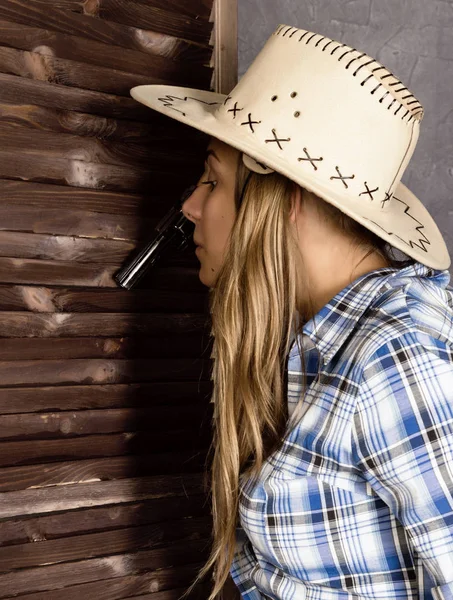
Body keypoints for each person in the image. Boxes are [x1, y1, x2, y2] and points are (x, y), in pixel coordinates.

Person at [129, 23, 453, 600]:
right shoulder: (314, 343)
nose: (191, 206)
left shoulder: (394, 356)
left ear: (284, 202)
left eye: (212, 180)